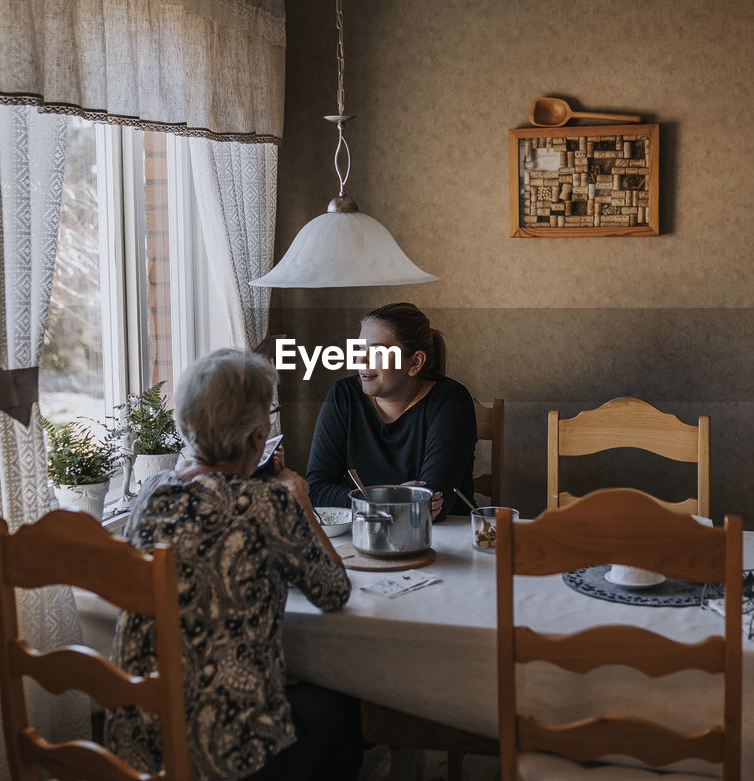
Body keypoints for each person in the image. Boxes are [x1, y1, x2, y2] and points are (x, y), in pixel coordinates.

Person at [107, 348, 362, 781]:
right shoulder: (269, 504)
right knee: (340, 705)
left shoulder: (153, 492)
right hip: (229, 760)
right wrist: (299, 501)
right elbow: (334, 590)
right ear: (259, 436)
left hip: (142, 749)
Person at [306, 302, 477, 522]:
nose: (361, 360)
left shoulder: (451, 401)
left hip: (448, 539)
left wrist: (364, 500)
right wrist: (388, 500)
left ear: (415, 362)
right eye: (359, 349)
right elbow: (316, 491)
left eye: (377, 352)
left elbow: (432, 506)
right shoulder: (343, 395)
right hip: (366, 535)